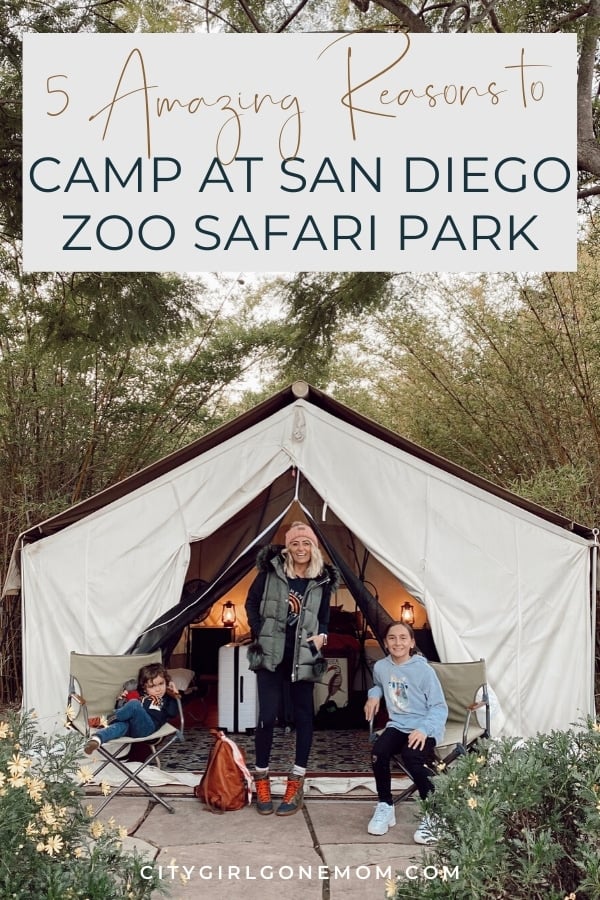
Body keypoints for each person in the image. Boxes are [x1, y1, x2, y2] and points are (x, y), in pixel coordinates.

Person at [245, 521, 339, 816]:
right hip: (271, 654)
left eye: (306, 543)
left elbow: (324, 618)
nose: (301, 549)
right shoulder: (271, 572)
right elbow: (251, 603)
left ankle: (296, 780)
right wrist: (260, 631)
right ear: (288, 547)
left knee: (303, 716)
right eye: (296, 543)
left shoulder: (322, 579)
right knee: (267, 716)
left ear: (314, 548)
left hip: (305, 656)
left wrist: (321, 637)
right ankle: (261, 778)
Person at [364, 621, 447, 845]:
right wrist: (374, 694)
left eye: (403, 638)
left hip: (425, 725)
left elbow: (440, 707)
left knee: (412, 757)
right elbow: (379, 684)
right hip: (398, 724)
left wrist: (424, 729)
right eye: (392, 638)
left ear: (412, 642)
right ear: (385, 642)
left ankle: (434, 813)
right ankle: (385, 805)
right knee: (378, 753)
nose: (397, 642)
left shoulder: (424, 670)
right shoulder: (381, 666)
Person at [84, 662, 180, 754]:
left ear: (166, 682)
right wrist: (121, 700)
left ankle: (104, 720)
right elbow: (122, 711)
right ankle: (96, 740)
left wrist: (174, 693)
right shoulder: (139, 695)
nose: (158, 689)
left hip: (147, 727)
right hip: (131, 726)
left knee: (134, 704)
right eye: (152, 686)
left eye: (161, 684)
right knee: (119, 726)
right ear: (144, 688)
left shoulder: (167, 699)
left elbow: (173, 713)